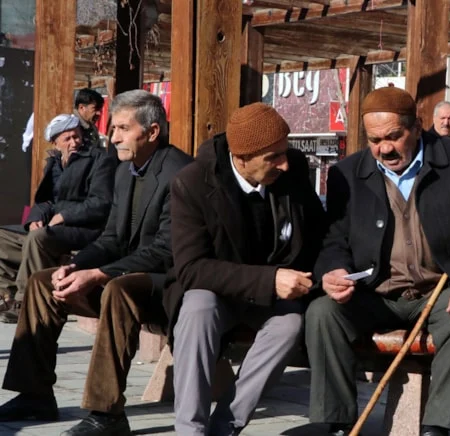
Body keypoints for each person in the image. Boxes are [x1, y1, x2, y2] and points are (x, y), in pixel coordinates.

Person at [305, 87, 450, 436]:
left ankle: (436, 426)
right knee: (322, 313)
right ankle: (335, 422)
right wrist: (334, 270)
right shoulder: (346, 174)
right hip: (373, 292)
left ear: (417, 127)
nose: (385, 149)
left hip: (437, 291)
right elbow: (333, 240)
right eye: (375, 140)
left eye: (394, 136)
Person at [0, 89, 193, 436]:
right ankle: (34, 395)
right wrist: (77, 267)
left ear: (152, 132)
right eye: (113, 128)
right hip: (129, 272)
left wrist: (100, 273)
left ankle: (107, 414)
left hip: (170, 283)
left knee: (119, 288)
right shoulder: (125, 171)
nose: (113, 137)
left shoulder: (181, 173)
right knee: (45, 282)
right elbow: (112, 238)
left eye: (123, 129)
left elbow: (167, 250)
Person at [166, 103, 327, 435]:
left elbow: (317, 234)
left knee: (289, 324)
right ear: (240, 159)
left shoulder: (292, 168)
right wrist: (269, 279)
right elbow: (192, 268)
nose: (284, 163)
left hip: (272, 296)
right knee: (198, 310)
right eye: (273, 157)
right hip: (216, 291)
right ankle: (190, 430)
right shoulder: (192, 183)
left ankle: (224, 427)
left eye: (285, 152)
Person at [0, 114, 116, 324]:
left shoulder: (98, 160)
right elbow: (45, 201)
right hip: (56, 228)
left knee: (38, 238)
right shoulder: (54, 163)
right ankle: (8, 295)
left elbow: (101, 202)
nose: (74, 142)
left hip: (85, 229)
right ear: (55, 143)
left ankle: (25, 303)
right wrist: (35, 219)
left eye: (76, 136)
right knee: (3, 239)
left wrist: (63, 216)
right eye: (67, 139)